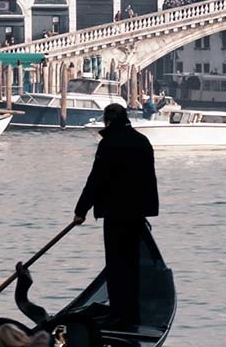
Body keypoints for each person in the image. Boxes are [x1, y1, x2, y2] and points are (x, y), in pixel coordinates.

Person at [73, 104, 158, 326]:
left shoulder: (109, 143)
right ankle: (131, 311)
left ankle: (118, 312)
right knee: (131, 262)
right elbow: (150, 180)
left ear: (107, 121)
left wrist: (80, 211)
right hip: (136, 213)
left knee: (116, 263)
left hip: (115, 213)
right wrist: (147, 210)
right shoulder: (142, 141)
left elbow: (96, 180)